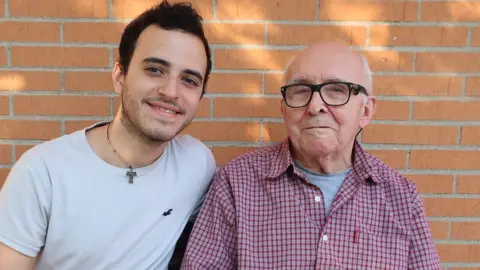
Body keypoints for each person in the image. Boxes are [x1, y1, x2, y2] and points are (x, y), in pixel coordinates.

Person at [181, 42, 442, 269]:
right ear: (284, 109)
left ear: (366, 111)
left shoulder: (402, 199)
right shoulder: (236, 185)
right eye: (300, 91)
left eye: (337, 90)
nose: (315, 106)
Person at [0, 1, 216, 269]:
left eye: (189, 80)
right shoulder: (42, 173)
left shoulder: (196, 163)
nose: (171, 91)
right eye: (154, 69)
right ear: (119, 75)